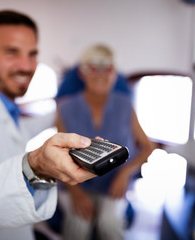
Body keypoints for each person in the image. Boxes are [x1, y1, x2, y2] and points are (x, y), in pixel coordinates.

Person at [0, 10, 96, 240]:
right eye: (12, 52)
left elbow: (20, 131)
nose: (26, 66)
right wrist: (36, 166)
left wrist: (63, 107)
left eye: (32, 54)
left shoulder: (2, 108)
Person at [56, 44, 154, 240]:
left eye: (106, 68)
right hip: (75, 183)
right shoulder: (65, 108)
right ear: (82, 74)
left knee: (109, 224)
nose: (100, 75)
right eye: (93, 68)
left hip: (112, 183)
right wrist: (76, 194)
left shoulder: (126, 106)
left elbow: (148, 148)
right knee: (78, 226)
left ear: (115, 74)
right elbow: (59, 155)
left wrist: (125, 173)